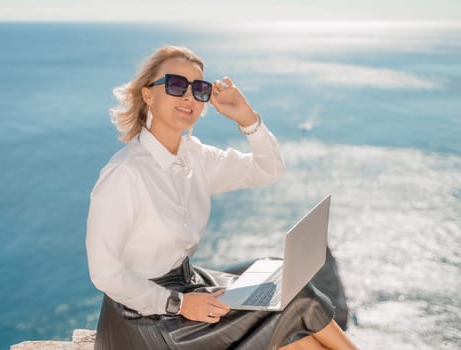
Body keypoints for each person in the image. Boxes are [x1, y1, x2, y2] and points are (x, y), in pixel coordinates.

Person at [86, 45, 358, 350]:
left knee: (285, 281)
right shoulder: (125, 173)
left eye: (199, 89)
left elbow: (267, 169)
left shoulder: (195, 157)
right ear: (148, 95)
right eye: (176, 85)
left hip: (189, 286)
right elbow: (105, 274)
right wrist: (180, 304)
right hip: (145, 320)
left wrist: (246, 118)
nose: (189, 96)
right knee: (297, 302)